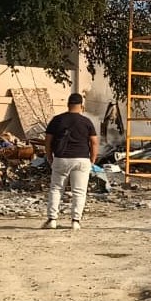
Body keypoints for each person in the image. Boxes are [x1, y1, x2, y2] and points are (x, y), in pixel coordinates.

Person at [43, 93, 98, 231]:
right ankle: (75, 221)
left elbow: (48, 141)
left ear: (68, 104)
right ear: (81, 106)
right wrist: (92, 159)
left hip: (61, 158)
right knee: (79, 192)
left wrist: (50, 157)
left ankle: (52, 220)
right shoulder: (87, 122)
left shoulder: (57, 120)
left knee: (56, 189)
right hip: (81, 159)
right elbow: (94, 142)